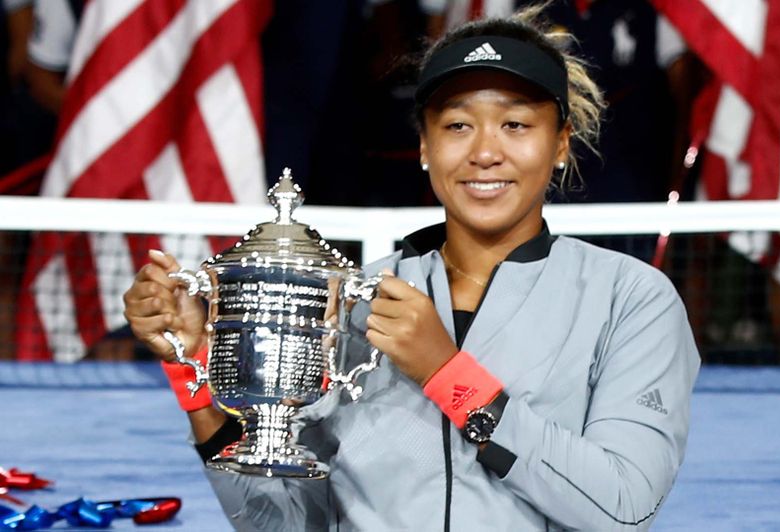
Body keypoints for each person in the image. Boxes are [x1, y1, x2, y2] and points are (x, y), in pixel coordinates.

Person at [123, 5, 700, 530]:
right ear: (424, 146)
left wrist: (447, 373)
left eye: (517, 125)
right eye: (457, 125)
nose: (484, 151)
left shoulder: (632, 300)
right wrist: (196, 371)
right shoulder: (348, 299)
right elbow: (279, 524)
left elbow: (624, 504)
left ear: (561, 144)